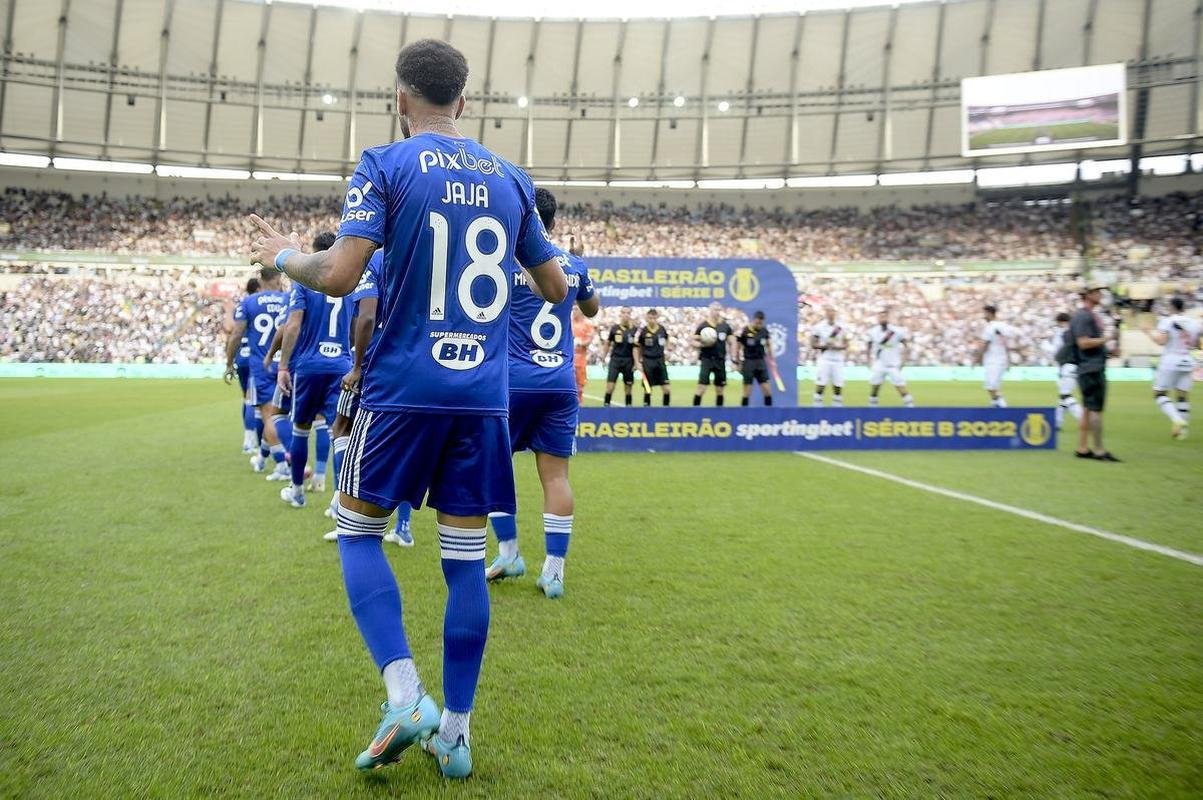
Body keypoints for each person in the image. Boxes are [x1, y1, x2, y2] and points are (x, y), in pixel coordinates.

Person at [249, 39, 567, 780]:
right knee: (462, 565)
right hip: (483, 401)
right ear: (463, 102)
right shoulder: (512, 179)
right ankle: (454, 731)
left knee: (355, 532)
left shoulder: (385, 165)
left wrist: (286, 254)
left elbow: (334, 274)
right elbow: (554, 289)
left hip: (401, 393)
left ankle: (404, 696)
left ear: (400, 100)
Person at [486, 188, 600, 598]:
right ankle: (554, 571)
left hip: (511, 381)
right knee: (556, 477)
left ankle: (510, 552)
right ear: (552, 223)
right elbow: (592, 309)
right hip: (559, 383)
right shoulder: (573, 264)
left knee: (492, 467)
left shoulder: (502, 262)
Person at [322, 250, 415, 546]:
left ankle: (343, 510)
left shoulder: (374, 259)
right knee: (403, 448)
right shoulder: (414, 251)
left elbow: (367, 316)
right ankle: (403, 526)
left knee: (342, 428)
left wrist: (358, 365)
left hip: (375, 365)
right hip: (413, 364)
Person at [275, 232, 355, 509]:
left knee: (300, 429)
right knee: (339, 433)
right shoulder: (349, 281)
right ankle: (338, 502)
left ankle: (297, 492)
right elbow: (356, 326)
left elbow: (293, 324)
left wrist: (283, 365)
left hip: (310, 366)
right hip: (341, 366)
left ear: (313, 251)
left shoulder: (304, 281)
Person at [224, 268, 290, 477]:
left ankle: (282, 465)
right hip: (286, 366)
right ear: (278, 279)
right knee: (282, 416)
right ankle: (263, 458)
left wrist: (229, 363)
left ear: (260, 280)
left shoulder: (249, 303)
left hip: (261, 366)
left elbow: (235, 334)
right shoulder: (287, 299)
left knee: (268, 415)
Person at [1069, 285, 1121, 461]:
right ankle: (1099, 450)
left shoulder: (1088, 315)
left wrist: (1107, 350)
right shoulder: (1084, 316)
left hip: (1090, 366)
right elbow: (1083, 343)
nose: (1100, 295)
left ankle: (1082, 448)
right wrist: (1105, 339)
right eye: (1097, 292)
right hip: (1091, 368)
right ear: (1089, 295)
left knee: (1086, 410)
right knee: (1096, 410)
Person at [1148, 297, 1200, 440]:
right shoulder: (1195, 323)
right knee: (1182, 396)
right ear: (1184, 307)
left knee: (1159, 394)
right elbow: (1196, 344)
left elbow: (1161, 341)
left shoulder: (1168, 321)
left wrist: (1147, 332)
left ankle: (1177, 419)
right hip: (1187, 360)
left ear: (1171, 307)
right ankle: (1182, 434)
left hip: (1171, 360)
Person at [225, 277, 260, 453]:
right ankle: (255, 442)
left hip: (241, 357)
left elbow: (232, 331)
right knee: (259, 402)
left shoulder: (243, 305)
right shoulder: (260, 304)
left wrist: (229, 362)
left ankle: (249, 438)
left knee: (246, 397)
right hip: (257, 358)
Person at [867, 309, 915, 407]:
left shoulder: (897, 331)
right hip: (880, 364)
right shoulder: (872, 331)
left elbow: (906, 345)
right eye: (880, 316)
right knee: (875, 387)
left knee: (900, 387)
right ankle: (872, 409)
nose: (882, 318)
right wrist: (868, 360)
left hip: (893, 364)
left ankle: (911, 408)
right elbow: (868, 346)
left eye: (884, 316)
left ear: (888, 318)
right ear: (878, 318)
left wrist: (904, 360)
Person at [693, 302, 734, 406]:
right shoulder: (703, 326)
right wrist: (702, 344)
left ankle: (719, 413)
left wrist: (734, 358)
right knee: (702, 387)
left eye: (718, 310)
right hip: (707, 359)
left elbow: (731, 342)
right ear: (710, 311)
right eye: (715, 310)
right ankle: (694, 411)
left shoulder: (725, 326)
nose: (717, 312)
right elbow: (693, 341)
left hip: (720, 360)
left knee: (720, 389)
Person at [1047, 312, 1083, 430]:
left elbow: (1056, 351)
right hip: (1077, 366)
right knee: (1063, 397)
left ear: (1060, 322)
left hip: (1066, 366)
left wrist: (1044, 345)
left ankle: (1083, 418)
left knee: (1066, 396)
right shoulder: (1076, 332)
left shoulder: (1062, 333)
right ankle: (1057, 423)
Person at [977, 304, 1014, 408]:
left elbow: (985, 344)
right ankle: (994, 405)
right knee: (992, 385)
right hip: (1001, 359)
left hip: (993, 360)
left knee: (991, 385)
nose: (983, 315)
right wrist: (1009, 359)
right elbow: (1007, 343)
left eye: (984, 313)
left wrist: (978, 358)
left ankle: (1003, 407)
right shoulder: (1004, 326)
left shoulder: (990, 327)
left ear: (989, 313)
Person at [735, 310, 775, 406]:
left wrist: (772, 358)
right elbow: (738, 347)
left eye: (761, 323)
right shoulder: (745, 330)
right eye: (758, 323)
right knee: (747, 392)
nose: (759, 325)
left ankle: (769, 415)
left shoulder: (764, 331)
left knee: (767, 391)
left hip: (761, 362)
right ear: (754, 320)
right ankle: (743, 415)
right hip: (749, 362)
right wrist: (738, 362)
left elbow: (769, 344)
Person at [810, 306, 846, 407]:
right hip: (824, 359)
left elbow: (846, 344)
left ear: (835, 313)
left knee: (838, 387)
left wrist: (837, 347)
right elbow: (813, 344)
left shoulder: (842, 327)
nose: (831, 313)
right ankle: (817, 411)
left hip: (838, 360)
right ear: (825, 313)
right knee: (821, 385)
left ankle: (837, 412)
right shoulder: (819, 327)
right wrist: (824, 346)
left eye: (832, 311)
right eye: (828, 311)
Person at [601, 307, 637, 406]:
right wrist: (603, 357)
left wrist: (637, 362)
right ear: (620, 314)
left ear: (630, 314)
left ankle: (628, 409)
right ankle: (606, 407)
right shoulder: (615, 328)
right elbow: (608, 343)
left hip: (629, 361)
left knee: (628, 389)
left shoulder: (634, 330)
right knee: (610, 387)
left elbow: (637, 347)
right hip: (615, 360)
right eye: (624, 312)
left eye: (628, 313)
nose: (626, 315)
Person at [634, 308, 670, 406]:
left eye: (654, 318)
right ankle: (647, 409)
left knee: (667, 389)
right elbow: (637, 347)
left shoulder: (662, 329)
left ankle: (666, 410)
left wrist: (667, 351)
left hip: (660, 360)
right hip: (647, 361)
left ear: (657, 318)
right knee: (648, 389)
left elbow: (667, 340)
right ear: (647, 318)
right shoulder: (643, 331)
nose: (652, 320)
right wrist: (637, 362)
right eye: (650, 318)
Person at [571, 306, 595, 404]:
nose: (574, 311)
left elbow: (589, 341)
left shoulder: (587, 324)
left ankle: (580, 407)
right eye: (573, 309)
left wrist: (579, 343)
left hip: (580, 360)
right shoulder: (568, 322)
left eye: (576, 309)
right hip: (568, 359)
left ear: (581, 310)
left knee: (580, 387)